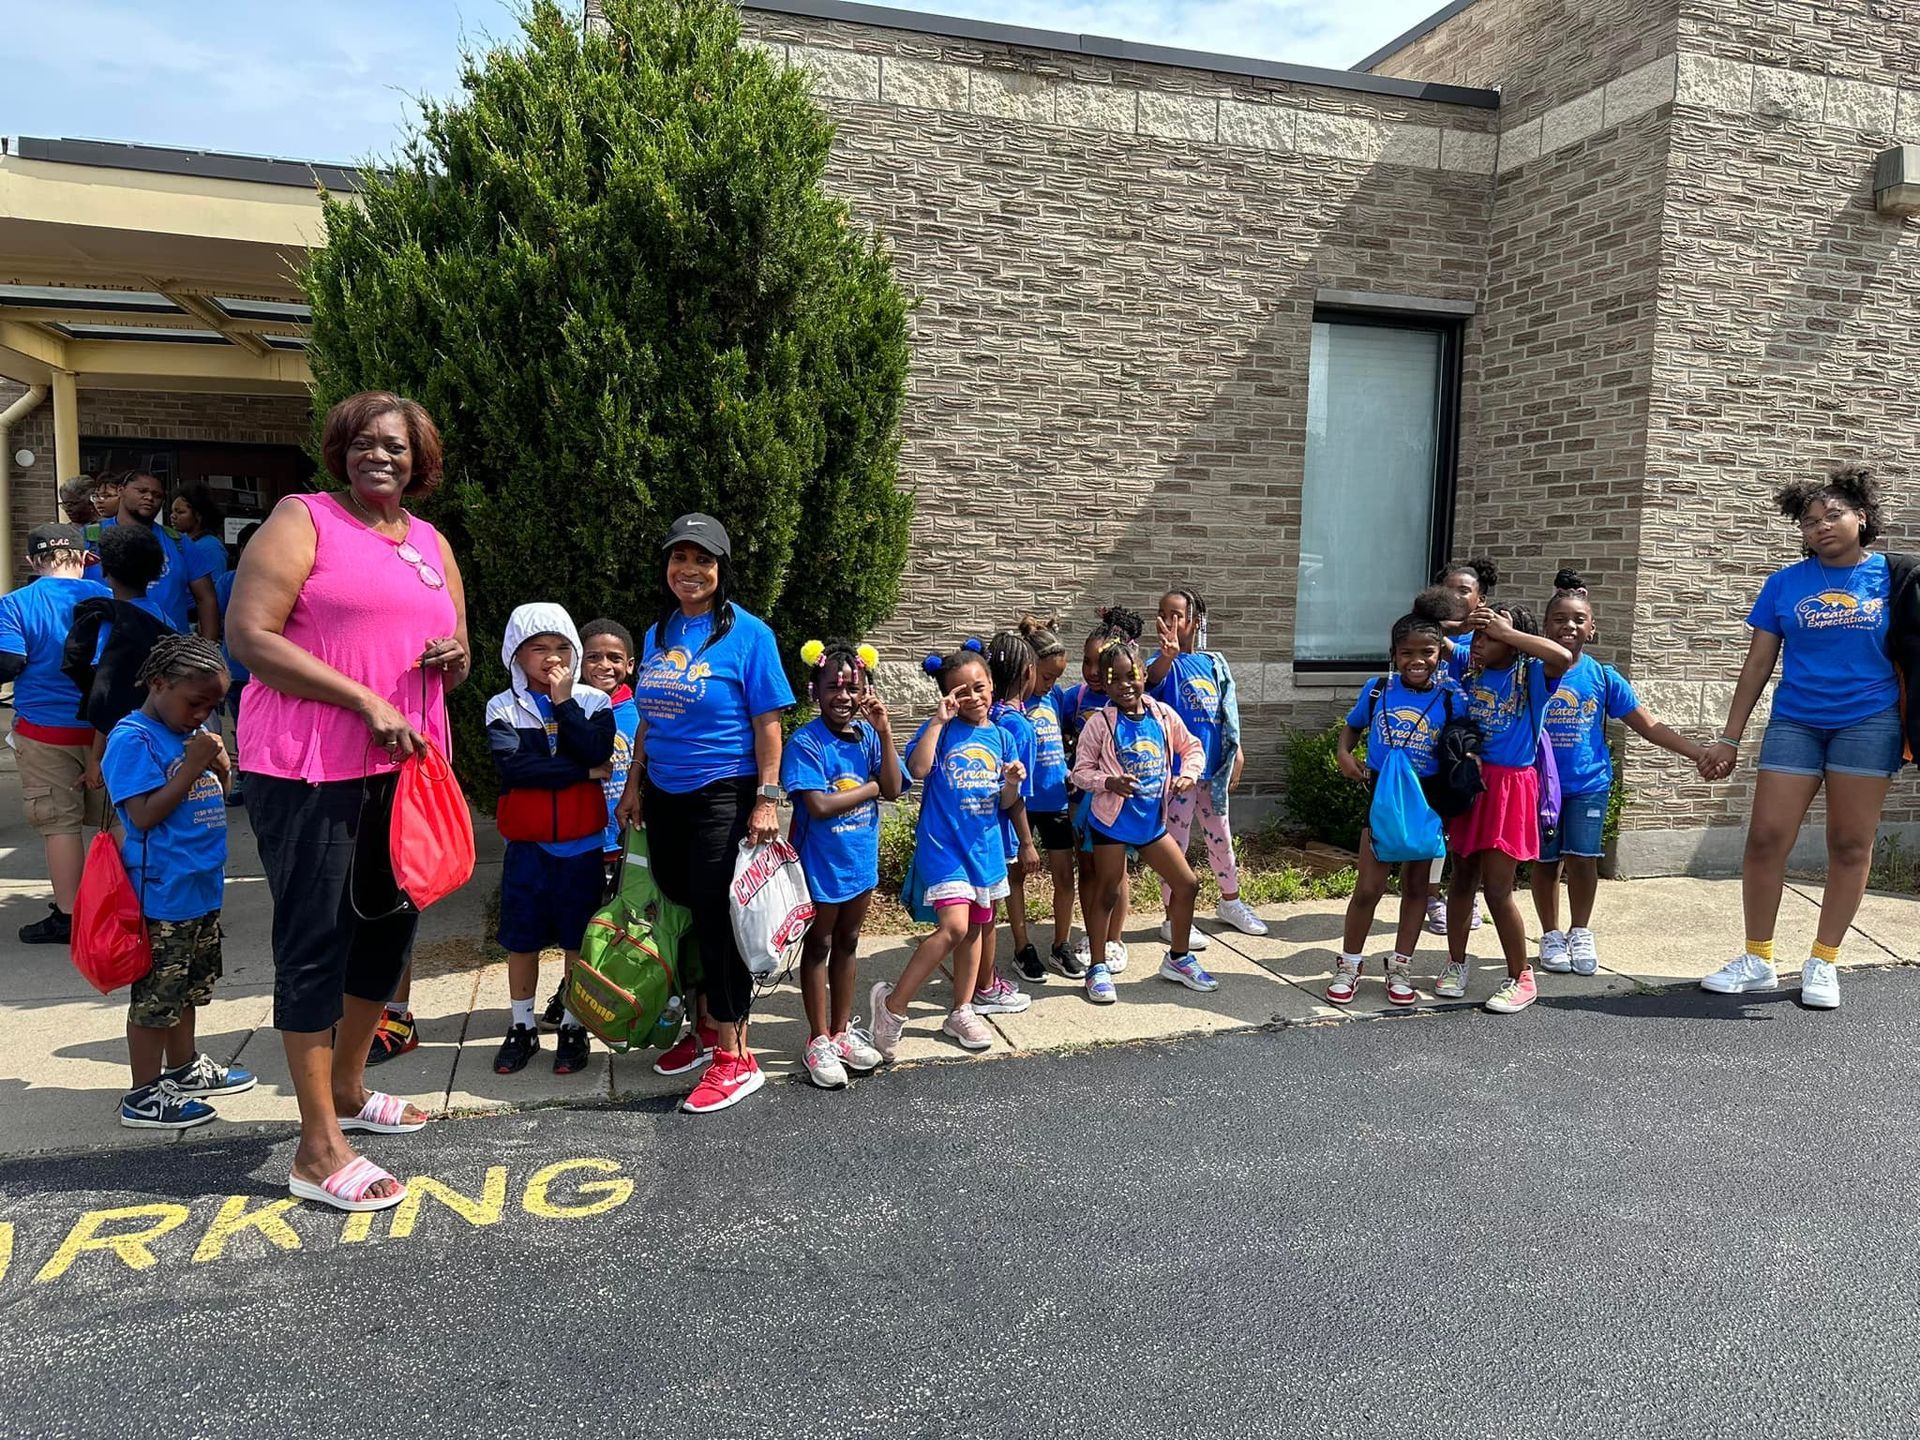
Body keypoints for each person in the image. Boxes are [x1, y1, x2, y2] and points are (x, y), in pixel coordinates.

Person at [229, 391, 470, 1214]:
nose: (381, 457)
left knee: (387, 932)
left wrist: (453, 659)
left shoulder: (431, 541)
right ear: (341, 449)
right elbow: (251, 637)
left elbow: (458, 656)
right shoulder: (303, 519)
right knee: (316, 942)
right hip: (308, 768)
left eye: (397, 447)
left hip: (404, 772)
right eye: (365, 444)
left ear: (419, 459)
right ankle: (315, 1145)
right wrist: (362, 700)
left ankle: (352, 1086)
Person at [1699, 464, 1916, 1010]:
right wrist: (1729, 736)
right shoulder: (1784, 584)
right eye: (1810, 520)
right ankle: (1758, 957)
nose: (1820, 526)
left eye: (1833, 514)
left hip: (1869, 722)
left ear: (1861, 518)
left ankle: (1823, 959)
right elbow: (1757, 665)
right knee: (1766, 837)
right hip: (1795, 721)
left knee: (1849, 844)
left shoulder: (1892, 578)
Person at [613, 514, 793, 1116]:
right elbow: (649, 715)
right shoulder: (658, 630)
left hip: (724, 792)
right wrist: (635, 781)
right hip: (664, 792)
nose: (688, 571)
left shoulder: (750, 635)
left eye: (702, 560)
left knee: (720, 921)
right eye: (678, 558)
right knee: (681, 902)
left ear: (721, 568)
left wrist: (768, 799)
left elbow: (770, 726)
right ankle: (705, 1028)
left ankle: (736, 1056)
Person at [102, 633, 256, 1129]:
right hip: (161, 891)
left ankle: (185, 1067)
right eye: (195, 702)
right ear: (158, 682)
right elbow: (143, 817)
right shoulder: (134, 739)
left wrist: (222, 771)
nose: (203, 714)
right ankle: (143, 1094)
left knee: (188, 988)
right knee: (156, 997)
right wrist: (191, 768)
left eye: (213, 705)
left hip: (200, 885)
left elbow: (211, 798)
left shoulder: (190, 736)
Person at [1532, 570, 1710, 976]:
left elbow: (1647, 725)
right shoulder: (1530, 671)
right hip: (1539, 786)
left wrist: (1696, 751)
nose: (1569, 626)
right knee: (1545, 862)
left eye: (1579, 619)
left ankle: (1579, 931)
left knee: (1582, 859)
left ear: (1591, 629)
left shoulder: (1602, 677)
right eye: (1559, 619)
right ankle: (1550, 935)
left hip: (1587, 785)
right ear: (1545, 626)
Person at [866, 645, 1025, 1059]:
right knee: (954, 926)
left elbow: (1006, 804)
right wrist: (937, 721)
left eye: (979, 687)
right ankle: (892, 1007)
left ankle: (961, 1009)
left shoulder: (1004, 737)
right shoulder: (941, 730)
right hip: (943, 848)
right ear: (947, 697)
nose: (973, 697)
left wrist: (1011, 782)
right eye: (961, 692)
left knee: (973, 929)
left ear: (992, 686)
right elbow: (916, 771)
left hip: (984, 851)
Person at [487, 605, 613, 1076]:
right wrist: (582, 773)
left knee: (578, 941)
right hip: (527, 846)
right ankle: (521, 1026)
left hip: (581, 846)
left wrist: (565, 702)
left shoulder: (593, 702)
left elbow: (598, 748)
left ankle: (575, 1026)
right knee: (521, 941)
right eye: (538, 648)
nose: (552, 658)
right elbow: (515, 768)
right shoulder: (501, 706)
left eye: (562, 648)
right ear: (515, 654)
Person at [1437, 601, 1572, 1013]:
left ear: (1512, 644)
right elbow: (1425, 630)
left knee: (1498, 888)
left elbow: (1562, 656)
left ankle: (1521, 975)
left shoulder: (1531, 674)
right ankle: (1456, 963)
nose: (1478, 643)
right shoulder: (1471, 664)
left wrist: (1507, 632)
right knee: (1461, 879)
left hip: (1510, 787)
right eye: (1477, 636)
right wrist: (1465, 623)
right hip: (1470, 782)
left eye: (1488, 637)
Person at [781, 638, 904, 1088]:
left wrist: (886, 731)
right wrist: (870, 788)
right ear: (815, 689)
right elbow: (819, 805)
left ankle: (841, 1030)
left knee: (849, 942)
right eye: (833, 686)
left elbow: (893, 785)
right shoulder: (805, 743)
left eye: (853, 687)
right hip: (820, 865)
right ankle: (817, 1039)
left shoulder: (869, 736)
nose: (844, 696)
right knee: (819, 945)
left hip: (859, 863)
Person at [1069, 635, 1211, 1005]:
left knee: (1187, 884)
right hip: (1111, 824)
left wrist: (1188, 775)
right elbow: (1079, 772)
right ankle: (1097, 967)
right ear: (1103, 682)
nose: (1124, 684)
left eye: (1130, 675)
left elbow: (1192, 747)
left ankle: (1178, 959)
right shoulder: (1100, 723)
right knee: (1108, 893)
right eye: (1114, 679)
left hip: (1151, 823)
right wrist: (1108, 782)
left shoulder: (1162, 715)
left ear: (1144, 674)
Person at [1330, 613, 1455, 1006]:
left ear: (1441, 655)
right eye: (1407, 653)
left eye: (1427, 652)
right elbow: (1352, 728)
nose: (1417, 660)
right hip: (1383, 798)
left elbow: (1463, 743)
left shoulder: (1452, 697)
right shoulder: (1377, 689)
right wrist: (1344, 753)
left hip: (1427, 800)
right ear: (1393, 655)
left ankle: (1401, 966)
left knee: (1417, 887)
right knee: (1369, 886)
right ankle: (1349, 963)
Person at [0, 524, 110, 943]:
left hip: (44, 732)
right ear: (85, 559)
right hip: (107, 729)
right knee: (117, 820)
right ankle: (133, 906)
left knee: (59, 825)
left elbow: (9, 663)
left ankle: (70, 915)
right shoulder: (108, 599)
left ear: (32, 561)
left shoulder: (15, 604)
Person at [1147, 585, 1266, 946]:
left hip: (1213, 772)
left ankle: (1230, 902)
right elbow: (1150, 682)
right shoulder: (1160, 662)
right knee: (1176, 844)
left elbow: (1226, 713)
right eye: (1163, 614)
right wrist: (1167, 656)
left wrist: (1236, 751)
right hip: (1180, 776)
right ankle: (1172, 916)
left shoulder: (1214, 663)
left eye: (1177, 615)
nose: (1169, 621)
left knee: (1221, 838)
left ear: (1195, 621)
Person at [538, 617, 641, 1030]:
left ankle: (621, 989)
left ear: (630, 665)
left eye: (615, 658)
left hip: (628, 839)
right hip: (583, 837)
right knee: (582, 924)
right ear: (579, 663)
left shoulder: (642, 713)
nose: (604, 665)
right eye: (593, 657)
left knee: (625, 921)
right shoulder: (569, 710)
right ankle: (574, 992)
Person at [62, 525, 176, 805]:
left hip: (122, 739)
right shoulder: (167, 620)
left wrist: (95, 760)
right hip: (163, 732)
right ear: (156, 572)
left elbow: (109, 694)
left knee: (127, 818)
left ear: (104, 571)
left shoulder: (109, 623)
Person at [1060, 605, 1143, 976]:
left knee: (1116, 873)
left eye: (1100, 664)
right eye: (1086, 662)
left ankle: (1115, 939)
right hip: (1081, 799)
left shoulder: (1124, 701)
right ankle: (1093, 933)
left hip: (1115, 800)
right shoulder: (1074, 698)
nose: (1093, 672)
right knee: (1088, 869)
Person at [1424, 558, 1499, 936]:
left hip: (1470, 744)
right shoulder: (1428, 629)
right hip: (1433, 739)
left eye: (1464, 590)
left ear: (1480, 598)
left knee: (1465, 827)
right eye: (1448, 589)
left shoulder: (1487, 640)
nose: (1454, 596)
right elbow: (1424, 630)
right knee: (1435, 824)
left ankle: (1464, 896)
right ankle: (1432, 898)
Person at [1017, 615, 1085, 980]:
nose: (1051, 684)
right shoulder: (1011, 706)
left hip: (1056, 801)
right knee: (1015, 878)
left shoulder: (1055, 697)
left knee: (1064, 876)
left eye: (1057, 678)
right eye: (1046, 677)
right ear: (1027, 669)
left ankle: (1061, 945)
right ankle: (1021, 947)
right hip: (1021, 807)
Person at [83, 472, 218, 640]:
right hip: (104, 652)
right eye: (142, 491)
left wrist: (208, 652)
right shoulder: (88, 539)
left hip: (169, 653)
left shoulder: (179, 543)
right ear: (121, 490)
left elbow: (206, 599)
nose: (149, 498)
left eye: (157, 495)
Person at [980, 628, 1039, 1015]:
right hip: (1001, 830)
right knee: (990, 908)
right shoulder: (1017, 725)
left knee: (988, 907)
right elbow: (1015, 796)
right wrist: (1027, 841)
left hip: (982, 827)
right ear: (1028, 673)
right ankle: (985, 981)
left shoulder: (992, 716)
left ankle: (983, 976)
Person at [214, 521, 262, 808]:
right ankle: (246, 774)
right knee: (243, 726)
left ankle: (251, 775)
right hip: (238, 667)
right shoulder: (228, 580)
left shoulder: (228, 581)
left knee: (250, 725)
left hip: (253, 669)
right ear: (242, 549)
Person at [169, 483, 230, 578]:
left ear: (198, 515)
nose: (173, 516)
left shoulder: (210, 547)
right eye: (172, 511)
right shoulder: (182, 542)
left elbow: (215, 587)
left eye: (180, 512)